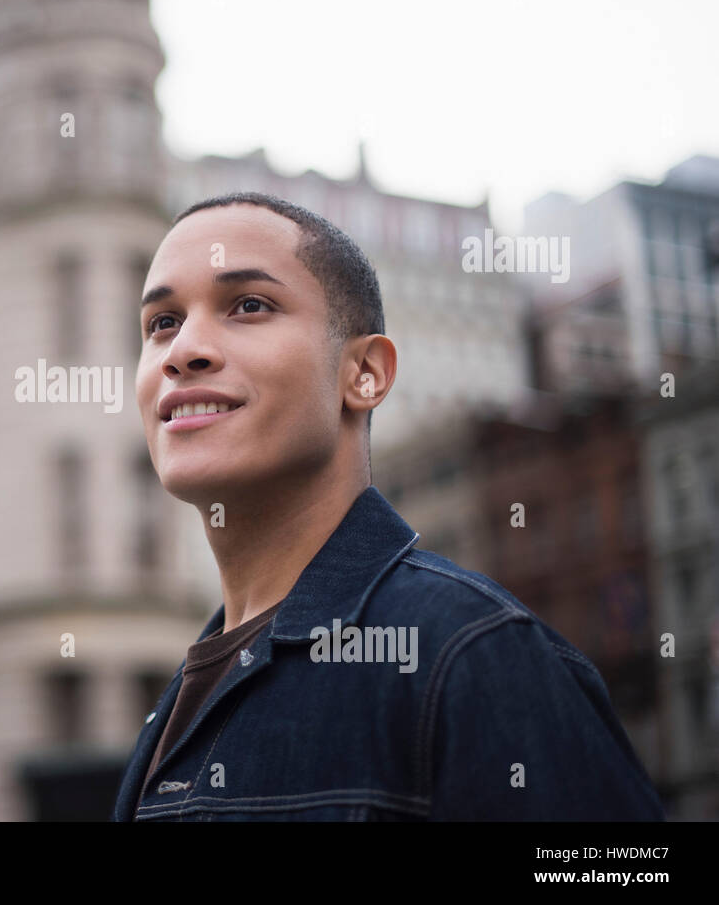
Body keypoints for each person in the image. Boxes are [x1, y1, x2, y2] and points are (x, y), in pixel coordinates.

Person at [112, 191, 665, 821]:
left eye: (248, 305)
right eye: (162, 322)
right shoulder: (170, 711)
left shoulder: (469, 652)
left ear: (365, 372)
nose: (185, 349)